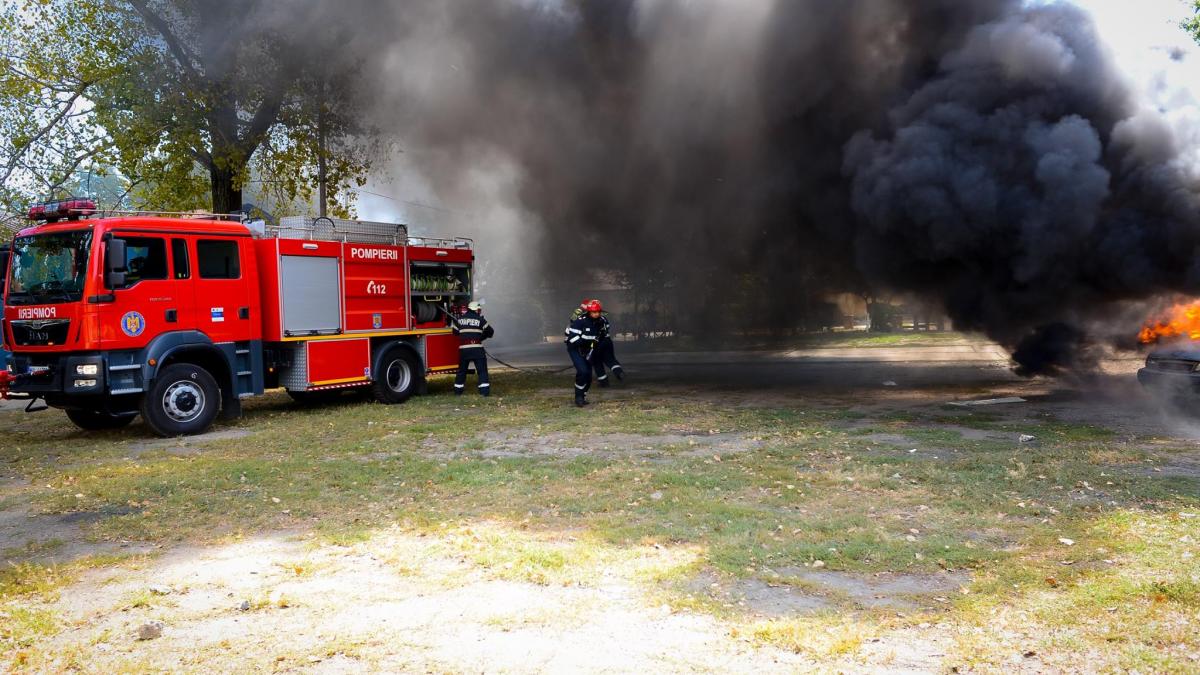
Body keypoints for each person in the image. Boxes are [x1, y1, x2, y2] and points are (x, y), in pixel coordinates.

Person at [564, 299, 603, 407]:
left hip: (587, 350)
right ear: (589, 312)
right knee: (583, 371)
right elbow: (572, 338)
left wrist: (595, 345)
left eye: (598, 312)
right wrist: (584, 346)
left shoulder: (600, 322)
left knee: (588, 376)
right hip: (575, 349)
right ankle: (579, 397)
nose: (596, 314)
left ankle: (583, 396)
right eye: (594, 312)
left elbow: (598, 337)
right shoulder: (580, 321)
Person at [452, 301, 494, 396]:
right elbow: (491, 332)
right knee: (482, 371)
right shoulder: (481, 320)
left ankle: (458, 392)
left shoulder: (459, 320)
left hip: (464, 349)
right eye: (479, 310)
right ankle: (484, 392)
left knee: (462, 371)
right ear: (476, 309)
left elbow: (454, 332)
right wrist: (481, 337)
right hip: (477, 349)